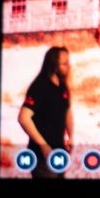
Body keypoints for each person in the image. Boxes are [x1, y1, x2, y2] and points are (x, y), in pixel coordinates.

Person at [17, 46, 73, 178]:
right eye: (64, 63)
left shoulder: (62, 86)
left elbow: (67, 111)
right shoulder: (40, 86)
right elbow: (23, 117)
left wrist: (71, 136)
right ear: (54, 65)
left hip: (59, 152)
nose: (69, 66)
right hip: (42, 156)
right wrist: (43, 145)